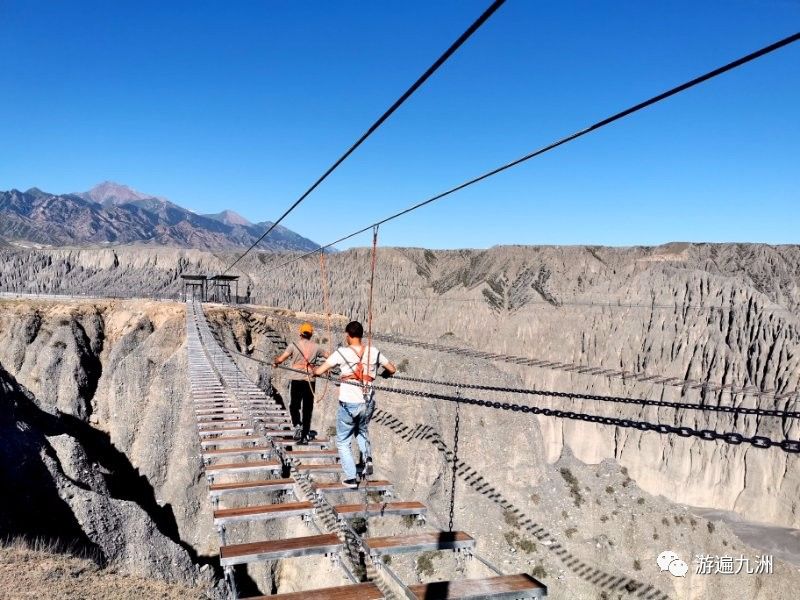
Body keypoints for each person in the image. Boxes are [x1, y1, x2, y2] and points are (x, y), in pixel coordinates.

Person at [314, 320, 396, 488]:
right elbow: (392, 369)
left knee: (343, 441)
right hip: (368, 402)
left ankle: (351, 478)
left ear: (348, 335)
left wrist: (314, 371)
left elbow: (319, 371)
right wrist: (384, 374)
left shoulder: (341, 353)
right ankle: (367, 459)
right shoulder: (373, 351)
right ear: (361, 335)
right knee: (362, 430)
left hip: (349, 404)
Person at [273, 322, 328, 444]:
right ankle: (305, 433)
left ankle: (297, 425)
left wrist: (275, 362)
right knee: (307, 408)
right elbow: (328, 357)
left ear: (300, 334)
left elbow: (281, 359)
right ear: (311, 334)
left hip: (296, 379)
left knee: (294, 405)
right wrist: (321, 369)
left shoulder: (293, 346)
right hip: (310, 381)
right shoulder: (316, 347)